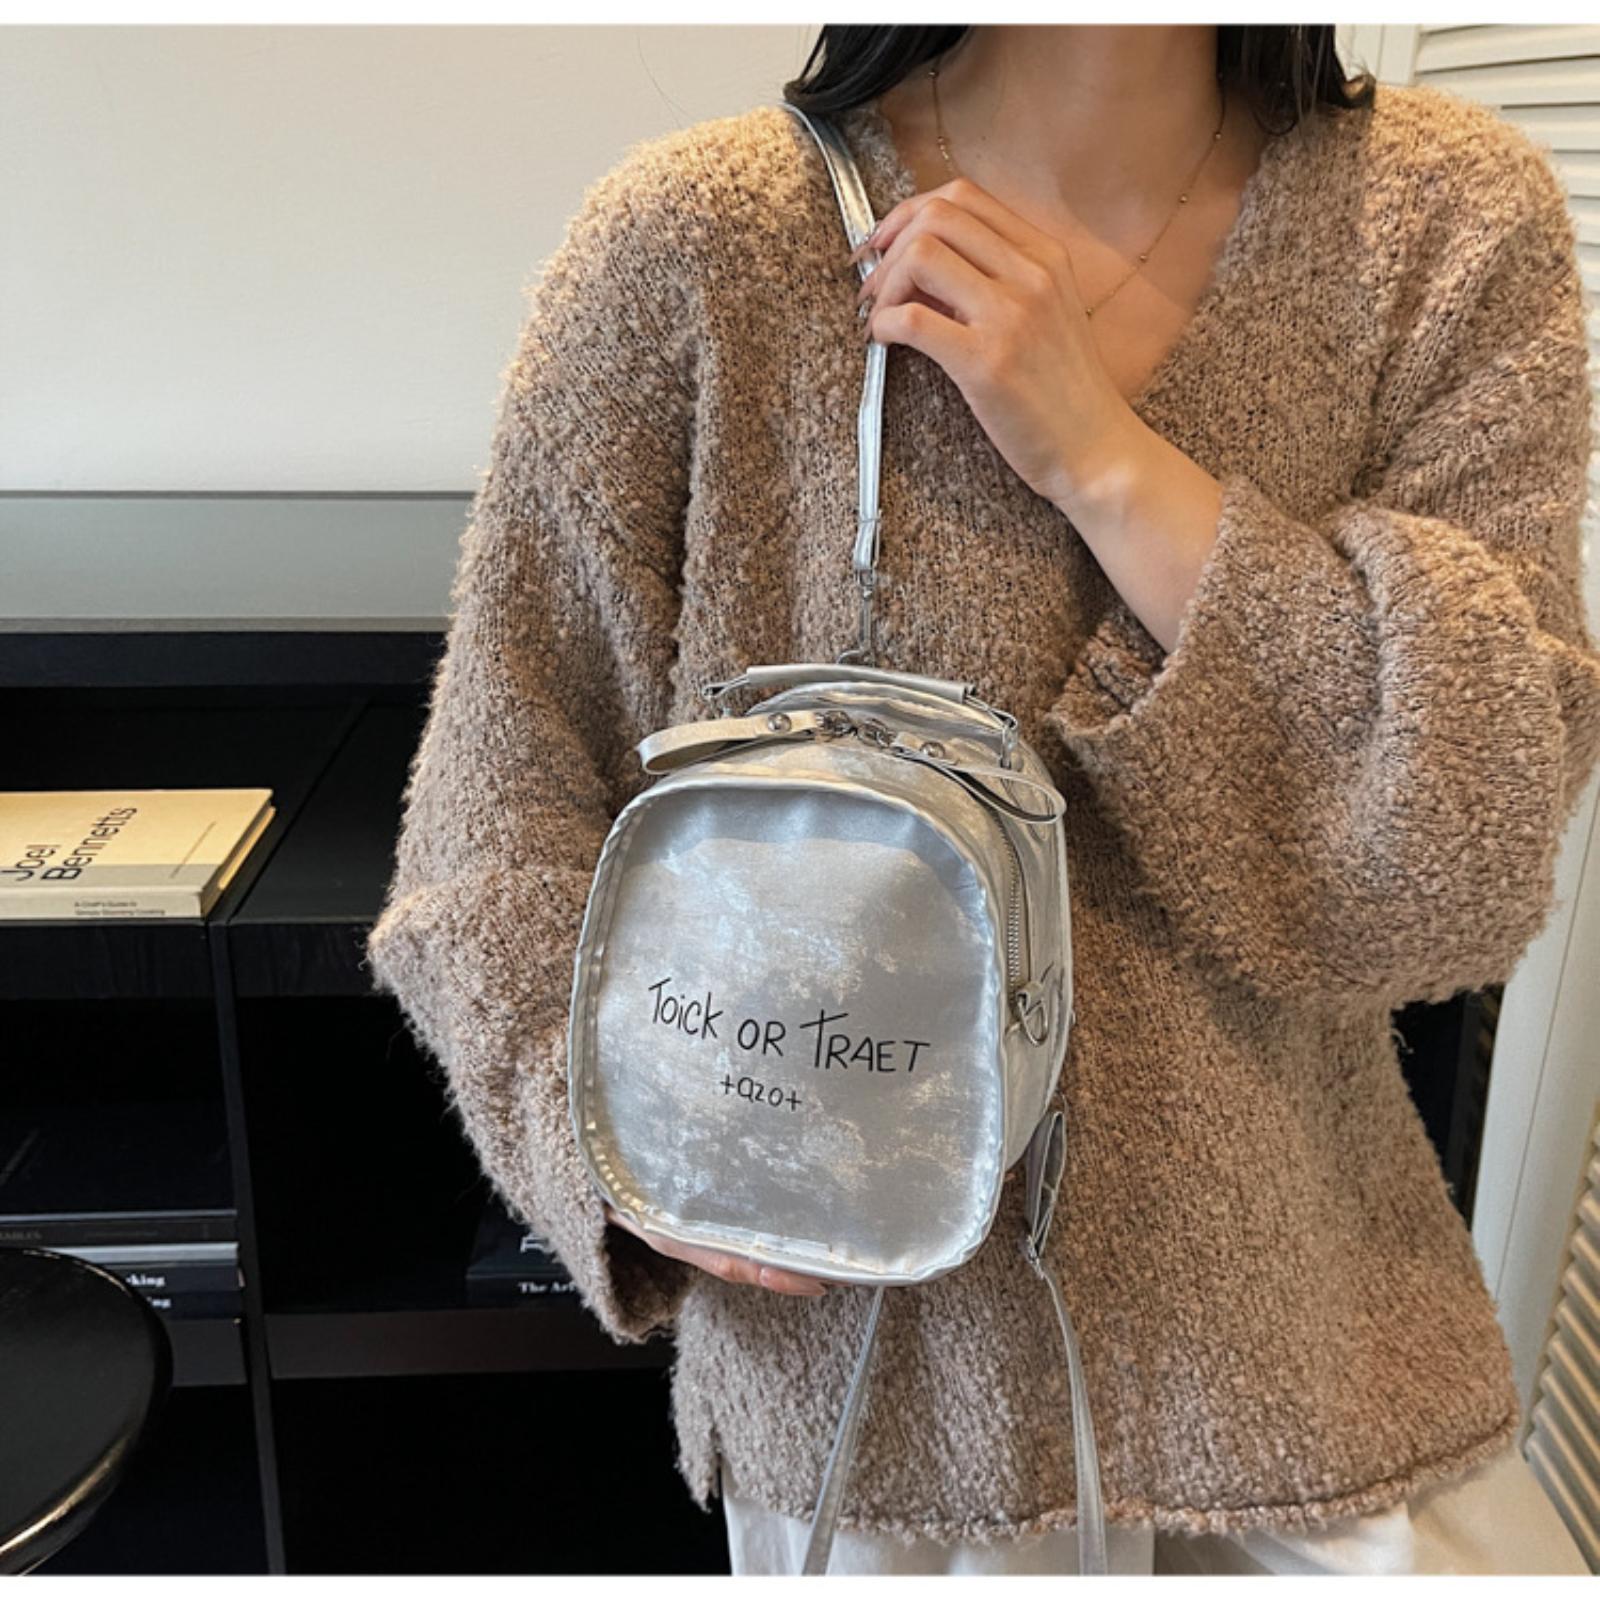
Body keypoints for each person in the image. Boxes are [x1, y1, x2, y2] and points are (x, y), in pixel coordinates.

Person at [364, 21, 1599, 1578]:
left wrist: (1109, 465)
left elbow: (1469, 840)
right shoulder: (699, 245)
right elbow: (492, 819)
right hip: (873, 1410)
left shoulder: (1442, 223)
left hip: (1307, 1379)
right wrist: (613, 1135)